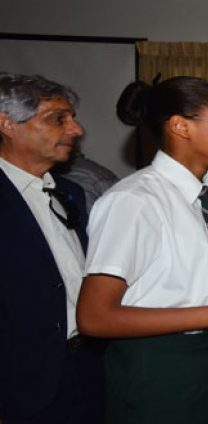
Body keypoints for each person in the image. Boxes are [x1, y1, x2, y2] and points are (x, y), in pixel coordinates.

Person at [76, 76, 208, 423]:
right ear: (180, 126)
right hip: (158, 365)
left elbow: (182, 284)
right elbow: (95, 317)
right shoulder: (135, 200)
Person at [0, 73, 105, 423]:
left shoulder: (69, 192)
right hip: (21, 384)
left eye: (72, 117)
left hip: (87, 371)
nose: (76, 130)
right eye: (58, 118)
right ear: (7, 124)